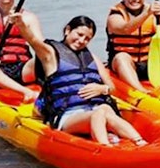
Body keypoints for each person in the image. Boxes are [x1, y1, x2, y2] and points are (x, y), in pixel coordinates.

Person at [14, 13, 146, 146]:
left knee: (105, 108)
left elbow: (111, 87)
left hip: (94, 108)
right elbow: (33, 40)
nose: (82, 40)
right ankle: (105, 146)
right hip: (67, 115)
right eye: (79, 34)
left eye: (87, 38)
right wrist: (21, 25)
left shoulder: (91, 57)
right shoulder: (51, 54)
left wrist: (102, 89)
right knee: (98, 113)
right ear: (68, 30)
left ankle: (139, 141)